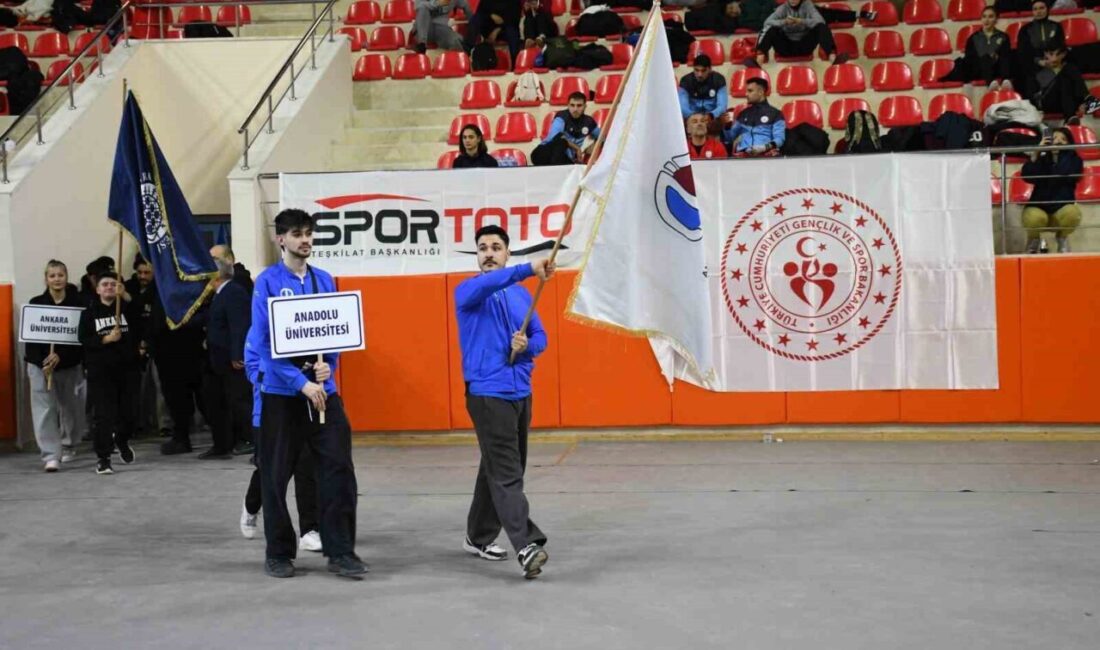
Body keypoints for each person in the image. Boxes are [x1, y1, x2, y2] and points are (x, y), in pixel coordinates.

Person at [249, 209, 364, 579]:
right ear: (281, 239)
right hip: (282, 395)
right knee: (275, 476)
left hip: (324, 393)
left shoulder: (324, 279)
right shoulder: (267, 282)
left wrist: (329, 368)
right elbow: (264, 344)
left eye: (309, 233)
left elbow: (334, 331)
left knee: (339, 470)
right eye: (297, 234)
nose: (305, 240)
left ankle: (341, 550)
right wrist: (300, 383)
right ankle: (279, 553)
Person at [455, 225, 554, 579]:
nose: (488, 253)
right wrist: (528, 268)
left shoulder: (521, 296)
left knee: (498, 467)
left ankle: (478, 536)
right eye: (482, 248)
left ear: (507, 252)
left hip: (520, 392)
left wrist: (527, 347)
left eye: (496, 247)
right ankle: (526, 545)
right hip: (487, 394)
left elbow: (541, 336)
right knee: (507, 473)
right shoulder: (468, 291)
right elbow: (491, 283)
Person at [239, 329, 322, 553]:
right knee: (269, 470)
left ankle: (309, 530)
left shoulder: (302, 329)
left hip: (303, 409)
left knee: (306, 467)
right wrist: (279, 376)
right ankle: (251, 505)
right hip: (267, 411)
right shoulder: (259, 331)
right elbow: (252, 369)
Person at [78, 272, 140, 475]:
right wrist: (105, 339)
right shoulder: (89, 313)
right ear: (97, 289)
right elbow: (83, 339)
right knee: (103, 416)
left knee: (129, 413)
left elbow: (140, 324)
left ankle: (121, 439)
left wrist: (127, 297)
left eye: (113, 284)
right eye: (105, 284)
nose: (109, 287)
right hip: (101, 371)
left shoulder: (126, 309)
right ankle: (103, 458)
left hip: (127, 369)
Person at [25, 260, 84, 472]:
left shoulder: (78, 303)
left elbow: (81, 338)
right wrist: (43, 363)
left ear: (66, 277)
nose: (57, 279)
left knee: (71, 408)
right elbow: (31, 337)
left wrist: (61, 357)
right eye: (52, 275)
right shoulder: (36, 302)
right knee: (44, 410)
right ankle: (51, 455)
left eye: (60, 275)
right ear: (46, 279)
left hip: (69, 365)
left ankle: (69, 445)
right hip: (40, 365)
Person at [201, 255, 253, 459]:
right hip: (218, 359)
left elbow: (239, 325)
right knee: (218, 401)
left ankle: (251, 440)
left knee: (239, 400)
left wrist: (238, 354)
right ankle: (222, 444)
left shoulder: (233, 292)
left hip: (232, 360)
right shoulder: (220, 294)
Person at [1021, 127, 1083, 253]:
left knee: (1073, 214)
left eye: (1063, 139)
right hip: (1039, 206)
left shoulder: (1075, 160)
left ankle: (1062, 238)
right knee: (1033, 217)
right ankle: (1034, 239)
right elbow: (1027, 176)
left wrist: (1058, 155)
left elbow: (1064, 172)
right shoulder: (1041, 159)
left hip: (1061, 207)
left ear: (1070, 144)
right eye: (1054, 138)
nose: (1058, 141)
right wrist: (1037, 152)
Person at [124, 254, 165, 438]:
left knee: (160, 386)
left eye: (147, 273)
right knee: (136, 388)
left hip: (157, 342)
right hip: (132, 343)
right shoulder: (128, 287)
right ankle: (138, 423)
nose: (142, 276)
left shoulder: (160, 288)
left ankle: (164, 424)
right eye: (139, 272)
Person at [749, 0, 848, 67]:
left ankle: (833, 59)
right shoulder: (783, 8)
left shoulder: (808, 5)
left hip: (805, 46)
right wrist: (784, 22)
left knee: (821, 27)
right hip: (786, 47)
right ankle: (759, 61)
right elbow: (767, 22)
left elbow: (820, 20)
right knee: (771, 29)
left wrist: (801, 21)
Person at [940, 6, 1014, 89]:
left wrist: (995, 56)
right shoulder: (973, 38)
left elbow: (1005, 54)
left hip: (997, 67)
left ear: (996, 19)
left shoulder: (1003, 36)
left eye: (990, 17)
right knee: (985, 57)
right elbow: (969, 58)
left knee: (1008, 55)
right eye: (984, 16)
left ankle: (1006, 80)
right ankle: (990, 82)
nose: (986, 20)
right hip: (978, 70)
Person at [722, 77, 785, 156]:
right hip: (743, 155)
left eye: (750, 91)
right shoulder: (743, 114)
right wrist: (727, 126)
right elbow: (729, 138)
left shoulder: (776, 114)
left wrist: (764, 147)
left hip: (765, 155)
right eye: (746, 91)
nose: (746, 94)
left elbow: (780, 139)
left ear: (761, 92)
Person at [1027, 45, 1091, 122]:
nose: (1047, 56)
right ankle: (1087, 100)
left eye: (1052, 54)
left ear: (1063, 55)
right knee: (1064, 79)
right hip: (1047, 103)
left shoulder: (1068, 68)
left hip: (1065, 102)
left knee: (1067, 77)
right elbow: (1034, 94)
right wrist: (1046, 67)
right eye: (1047, 53)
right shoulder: (1038, 69)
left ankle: (1072, 116)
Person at [1014, 0, 1064, 92]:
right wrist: (1039, 61)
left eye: (1041, 8)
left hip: (1054, 62)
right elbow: (1023, 51)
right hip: (1034, 65)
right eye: (1035, 9)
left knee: (1071, 70)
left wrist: (1054, 59)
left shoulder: (1056, 26)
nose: (1038, 11)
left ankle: (1087, 99)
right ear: (1032, 12)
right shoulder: (1025, 30)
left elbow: (1061, 46)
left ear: (1047, 9)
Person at [541, 91, 601, 164]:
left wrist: (591, 147)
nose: (575, 109)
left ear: (585, 106)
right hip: (546, 153)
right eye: (572, 105)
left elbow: (602, 137)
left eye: (579, 105)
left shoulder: (589, 121)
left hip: (566, 160)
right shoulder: (561, 117)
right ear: (568, 105)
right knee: (560, 144)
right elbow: (555, 137)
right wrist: (576, 148)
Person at [678, 54, 729, 121]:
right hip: (692, 118)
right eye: (696, 70)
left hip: (712, 118)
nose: (700, 74)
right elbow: (683, 107)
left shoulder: (719, 80)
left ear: (710, 69)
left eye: (703, 70)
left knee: (724, 117)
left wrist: (711, 115)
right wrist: (695, 117)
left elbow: (722, 106)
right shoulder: (685, 81)